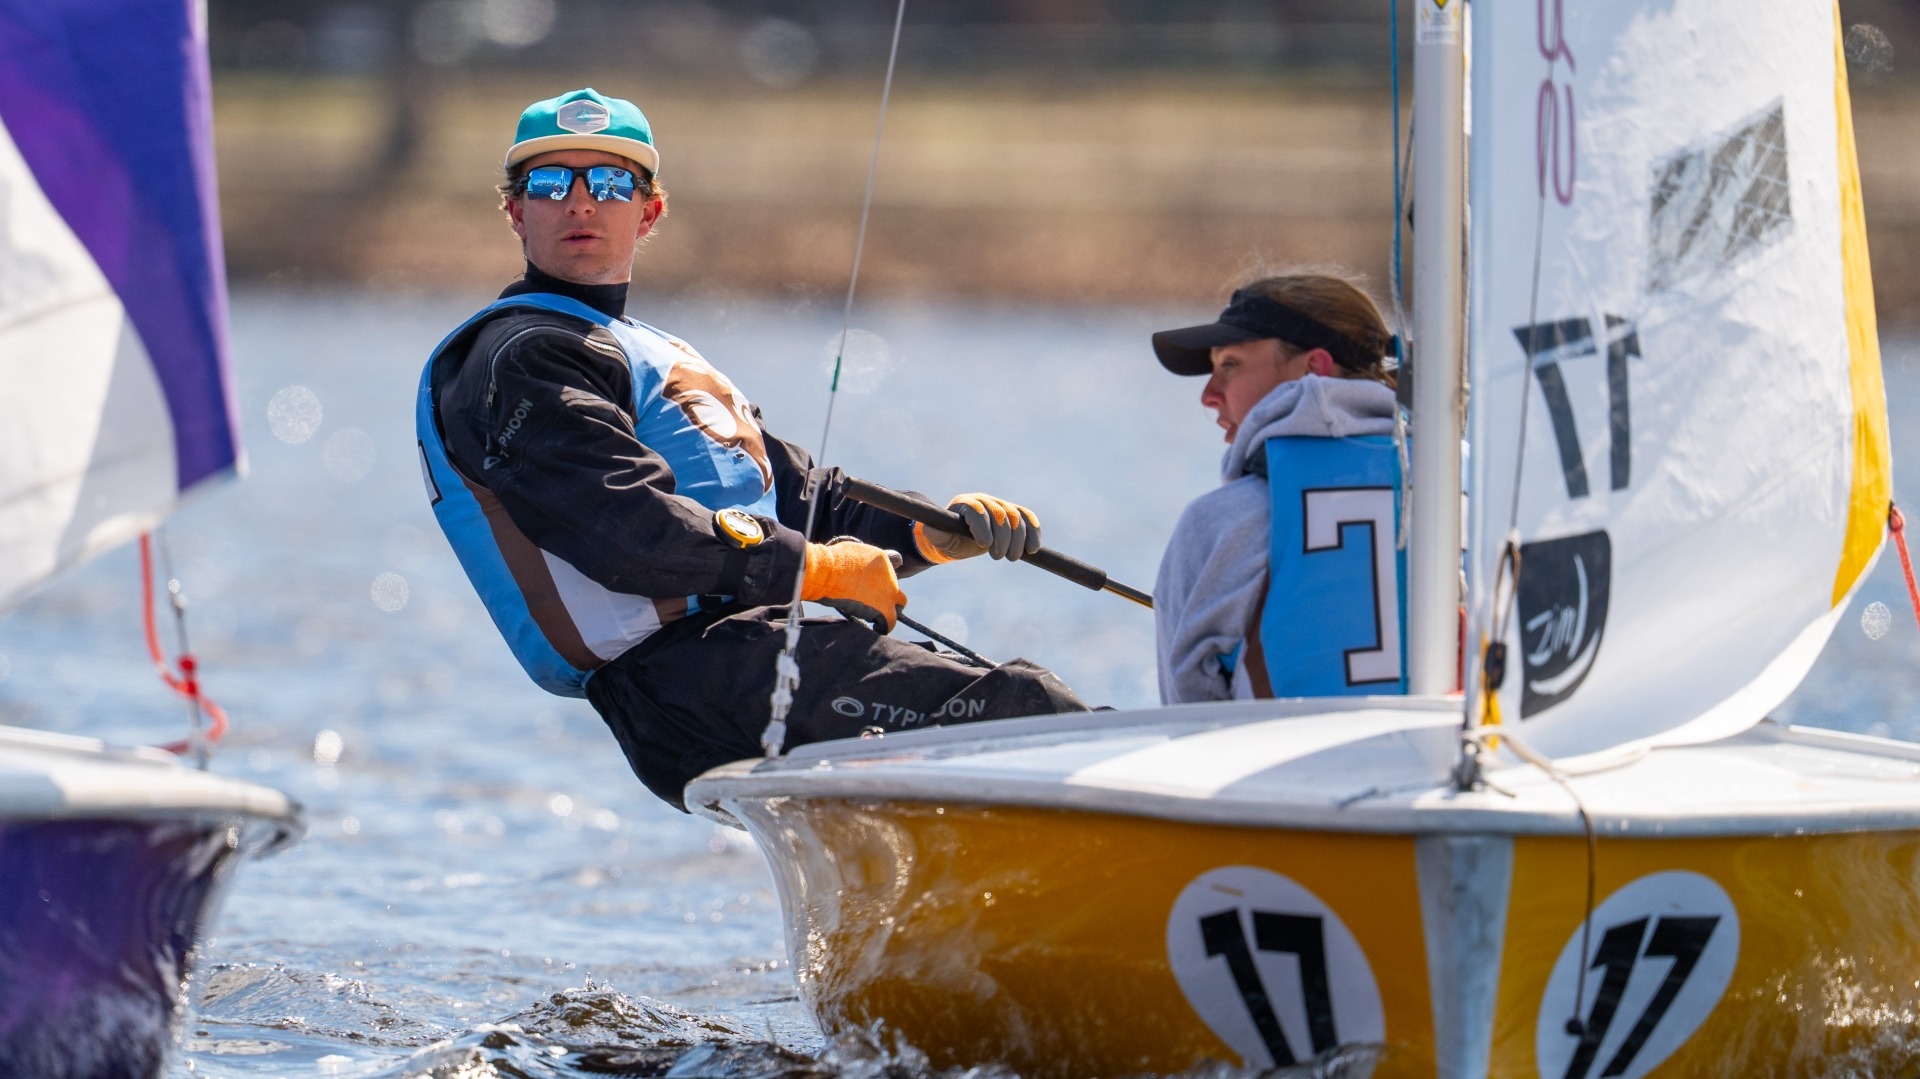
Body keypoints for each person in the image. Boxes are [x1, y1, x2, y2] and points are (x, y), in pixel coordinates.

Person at [416, 88, 1087, 809]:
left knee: (1014, 724)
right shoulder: (521, 355)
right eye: (552, 184)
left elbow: (806, 497)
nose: (581, 203)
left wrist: (929, 531)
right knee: (1027, 711)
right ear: (516, 211)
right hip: (687, 681)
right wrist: (817, 568)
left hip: (747, 660)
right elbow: (622, 528)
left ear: (649, 211)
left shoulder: (653, 354)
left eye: (610, 182)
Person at [1150, 272, 1405, 704]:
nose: (1209, 395)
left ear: (1314, 369)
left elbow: (1186, 713)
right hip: (1451, 761)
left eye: (1230, 365)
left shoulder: (1216, 523)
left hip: (1282, 769)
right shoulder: (1464, 489)